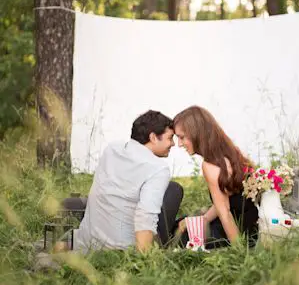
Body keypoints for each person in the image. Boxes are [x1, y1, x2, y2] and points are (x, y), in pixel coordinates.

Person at [72, 110, 184, 253]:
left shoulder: (112, 149)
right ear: (153, 137)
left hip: (89, 242)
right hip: (124, 249)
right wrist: (143, 261)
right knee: (174, 189)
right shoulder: (158, 168)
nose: (173, 144)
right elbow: (145, 215)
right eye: (170, 138)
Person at [170, 106, 259, 249]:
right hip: (251, 225)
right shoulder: (228, 152)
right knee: (184, 221)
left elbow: (225, 213)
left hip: (236, 232)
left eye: (181, 137)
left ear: (196, 133)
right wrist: (203, 219)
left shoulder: (210, 165)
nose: (179, 144)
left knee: (181, 234)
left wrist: (240, 252)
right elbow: (225, 200)